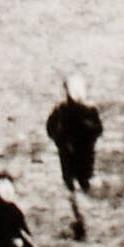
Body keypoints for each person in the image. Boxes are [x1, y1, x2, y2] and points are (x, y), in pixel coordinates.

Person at [45, 78, 104, 238]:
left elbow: (97, 129)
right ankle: (81, 218)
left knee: (82, 183)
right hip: (68, 153)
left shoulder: (88, 111)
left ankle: (84, 218)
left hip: (83, 153)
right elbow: (51, 128)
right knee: (72, 184)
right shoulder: (62, 110)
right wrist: (60, 140)